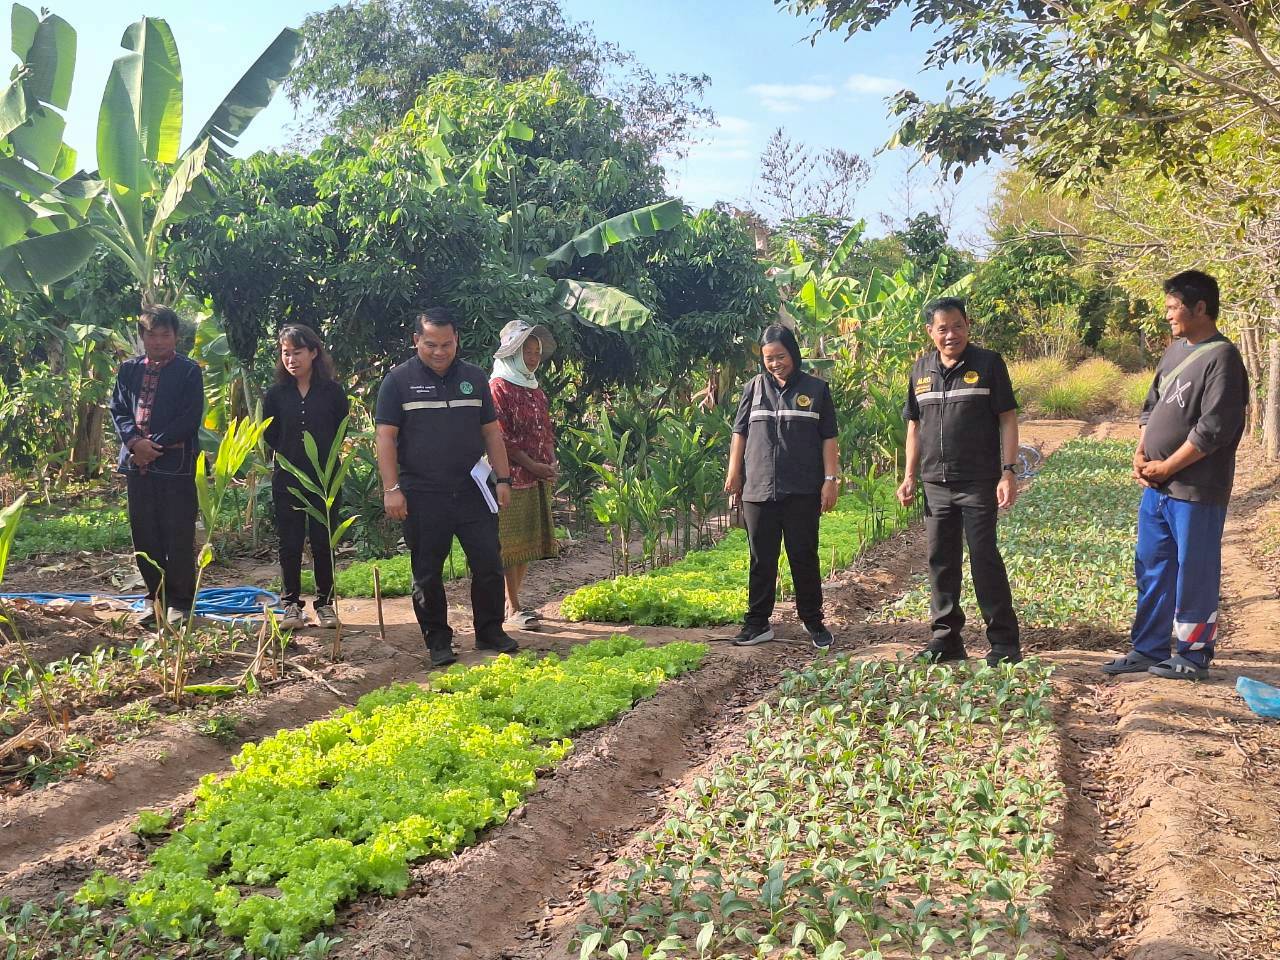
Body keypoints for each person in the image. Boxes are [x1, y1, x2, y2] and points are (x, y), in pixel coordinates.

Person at [1104, 270, 1249, 681]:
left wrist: (1168, 465)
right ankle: (1147, 648)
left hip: (1196, 488)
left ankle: (1194, 653)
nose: (1168, 315)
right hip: (1158, 488)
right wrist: (1141, 451)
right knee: (1152, 566)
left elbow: (1214, 428)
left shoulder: (1222, 358)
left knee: (1195, 570)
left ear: (1200, 307)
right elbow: (1150, 408)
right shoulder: (1173, 352)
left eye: (1173, 307)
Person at [375, 308, 519, 667]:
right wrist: (391, 488)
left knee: (488, 562)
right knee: (427, 571)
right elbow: (386, 438)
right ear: (416, 341)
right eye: (430, 345)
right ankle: (438, 641)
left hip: (473, 490)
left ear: (457, 340)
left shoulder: (473, 378)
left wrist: (502, 479)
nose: (439, 352)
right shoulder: (397, 381)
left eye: (447, 344)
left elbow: (491, 433)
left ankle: (490, 631)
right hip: (422, 494)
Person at [895, 297, 1022, 667]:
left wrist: (1008, 470)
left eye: (957, 326)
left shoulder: (988, 364)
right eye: (942, 328)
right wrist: (908, 476)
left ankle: (1004, 643)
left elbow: (1008, 419)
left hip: (978, 481)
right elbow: (914, 428)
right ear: (930, 332)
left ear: (968, 325)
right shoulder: (920, 370)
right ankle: (946, 638)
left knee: (984, 558)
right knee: (941, 561)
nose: (951, 335)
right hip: (935, 483)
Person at [724, 324, 839, 650]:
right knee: (761, 558)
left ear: (793, 354)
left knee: (803, 555)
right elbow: (740, 432)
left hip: (803, 488)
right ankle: (757, 623)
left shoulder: (816, 389)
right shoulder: (754, 388)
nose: (775, 363)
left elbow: (829, 437)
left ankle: (813, 621)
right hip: (758, 488)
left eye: (781, 356)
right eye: (769, 358)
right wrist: (734, 472)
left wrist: (830, 480)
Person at [109, 304, 204, 627]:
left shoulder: (189, 371)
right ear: (143, 336)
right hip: (137, 465)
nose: (159, 341)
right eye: (152, 335)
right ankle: (155, 600)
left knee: (177, 533)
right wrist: (135, 443)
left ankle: (180, 603)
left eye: (165, 335)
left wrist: (153, 446)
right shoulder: (128, 370)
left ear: (176, 336)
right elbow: (119, 410)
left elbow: (190, 418)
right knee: (144, 534)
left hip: (175, 466)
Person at [262, 324, 350, 630]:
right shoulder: (275, 394)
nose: (291, 359)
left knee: (323, 541)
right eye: (286, 353)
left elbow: (341, 427)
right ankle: (290, 606)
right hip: (287, 477)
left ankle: (325, 604)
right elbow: (270, 434)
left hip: (325, 477)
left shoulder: (333, 392)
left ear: (313, 352)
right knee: (290, 542)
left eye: (297, 352)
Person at [489, 320, 560, 631]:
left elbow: (545, 430)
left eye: (535, 352)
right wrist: (533, 465)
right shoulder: (498, 387)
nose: (532, 358)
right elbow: (502, 439)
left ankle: (513, 603)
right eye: (526, 352)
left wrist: (550, 463)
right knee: (509, 543)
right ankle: (512, 606)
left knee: (527, 542)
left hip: (537, 474)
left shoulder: (534, 388)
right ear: (512, 355)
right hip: (510, 477)